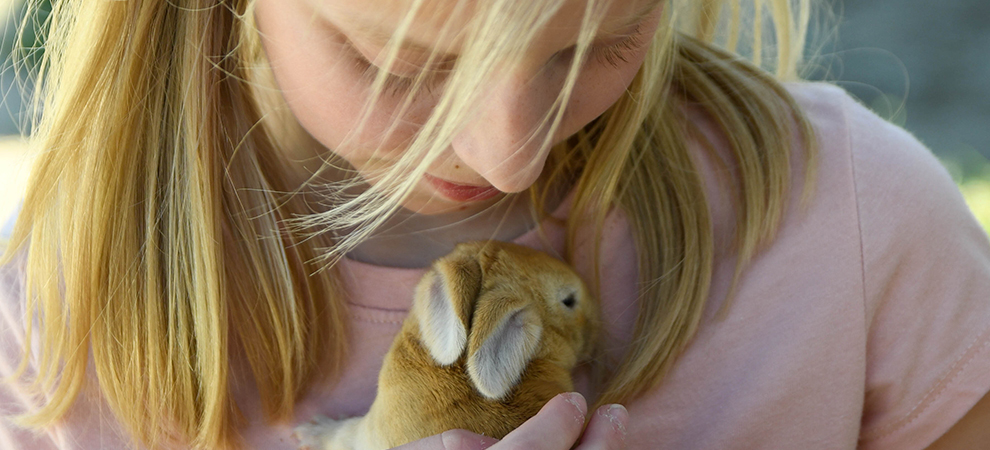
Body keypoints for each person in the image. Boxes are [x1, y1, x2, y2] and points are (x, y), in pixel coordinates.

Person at [1, 0, 988, 448]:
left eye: (597, 44)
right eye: (402, 66)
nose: (508, 152)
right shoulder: (52, 316)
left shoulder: (861, 227)